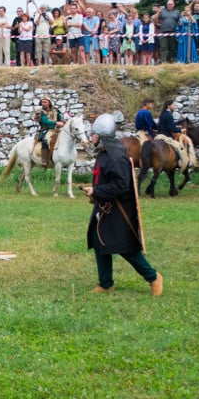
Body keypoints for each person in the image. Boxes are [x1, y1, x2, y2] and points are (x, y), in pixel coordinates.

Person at [82, 114, 162, 296]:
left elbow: (121, 184)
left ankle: (153, 277)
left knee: (125, 247)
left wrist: (96, 191)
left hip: (119, 209)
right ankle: (106, 283)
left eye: (93, 134)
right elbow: (105, 179)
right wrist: (95, 191)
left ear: (101, 136)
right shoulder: (105, 153)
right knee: (99, 241)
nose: (91, 137)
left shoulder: (116, 156)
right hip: (105, 206)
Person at [34, 98, 64, 166]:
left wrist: (62, 121)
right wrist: (56, 123)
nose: (43, 104)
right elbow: (45, 122)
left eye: (45, 102)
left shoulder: (55, 110)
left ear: (49, 103)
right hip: (46, 130)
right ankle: (44, 160)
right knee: (45, 140)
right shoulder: (40, 112)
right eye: (42, 102)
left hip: (57, 129)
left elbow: (59, 118)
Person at [157, 100, 186, 168]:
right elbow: (171, 128)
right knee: (180, 147)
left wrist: (175, 126)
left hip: (159, 135)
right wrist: (181, 130)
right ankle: (179, 163)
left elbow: (166, 125)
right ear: (168, 106)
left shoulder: (162, 114)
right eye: (173, 105)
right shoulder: (169, 115)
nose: (174, 106)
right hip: (166, 136)